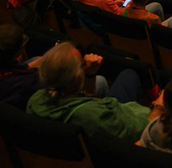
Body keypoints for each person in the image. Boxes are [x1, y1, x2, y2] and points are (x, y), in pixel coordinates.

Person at [27, 42, 163, 141]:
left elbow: (83, 98)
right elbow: (143, 129)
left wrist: (90, 74)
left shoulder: (36, 99)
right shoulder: (93, 115)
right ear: (76, 77)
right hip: (132, 125)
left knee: (128, 75)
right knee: (130, 74)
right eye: (82, 64)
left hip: (104, 115)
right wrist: (159, 107)